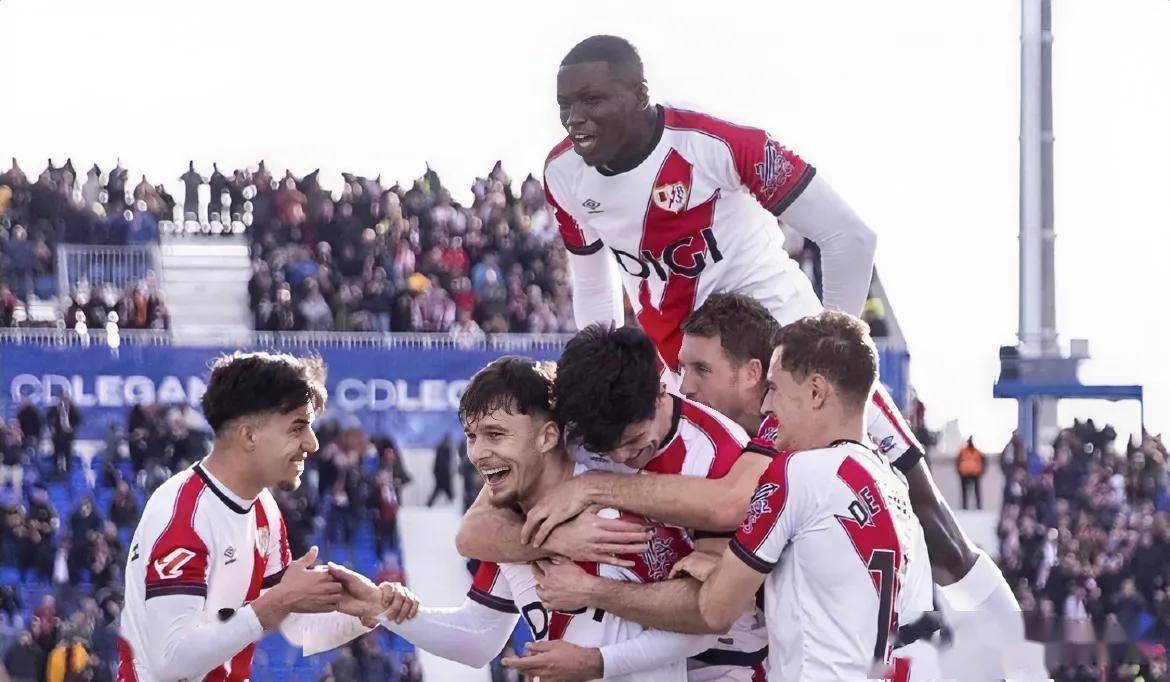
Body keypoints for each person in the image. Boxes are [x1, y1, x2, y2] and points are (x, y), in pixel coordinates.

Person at [543, 36, 1001, 606]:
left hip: (790, 360)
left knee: (933, 529)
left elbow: (850, 236)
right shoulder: (563, 174)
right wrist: (605, 379)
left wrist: (829, 355)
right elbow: (593, 286)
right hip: (693, 378)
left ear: (640, 94)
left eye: (591, 100)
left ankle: (1009, 646)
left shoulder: (717, 144)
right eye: (564, 104)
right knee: (720, 549)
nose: (574, 118)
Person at [340, 357, 715, 680]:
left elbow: (704, 623)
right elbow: (478, 637)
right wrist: (380, 606)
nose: (478, 453)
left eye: (495, 434)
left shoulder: (617, 517)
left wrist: (597, 662)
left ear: (547, 437)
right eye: (472, 436)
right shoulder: (508, 530)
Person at [459, 327, 771, 679]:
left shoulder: (717, 456)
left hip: (725, 661)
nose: (621, 456)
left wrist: (592, 594)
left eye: (634, 440)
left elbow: (709, 610)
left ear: (660, 393)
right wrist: (555, 540)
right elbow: (473, 533)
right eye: (602, 448)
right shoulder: (571, 424)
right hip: (626, 650)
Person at [116, 351, 412, 681]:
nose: (312, 444)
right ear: (248, 435)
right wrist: (276, 603)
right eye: (298, 428)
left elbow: (295, 627)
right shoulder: (183, 514)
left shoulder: (264, 509)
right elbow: (170, 662)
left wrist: (368, 610)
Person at [670, 311, 924, 679]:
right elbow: (836, 596)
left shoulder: (797, 472)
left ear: (816, 392)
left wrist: (597, 590)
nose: (766, 406)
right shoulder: (897, 489)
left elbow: (715, 609)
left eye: (774, 388)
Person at [46, 394, 80, 478]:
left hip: (67, 438)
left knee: (68, 456)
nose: (64, 400)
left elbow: (78, 420)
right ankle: (56, 474)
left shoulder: (72, 410)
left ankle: (68, 474)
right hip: (57, 437)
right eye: (62, 398)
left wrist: (71, 427)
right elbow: (48, 419)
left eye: (66, 399)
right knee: (56, 456)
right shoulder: (54, 409)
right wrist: (51, 428)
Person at [956, 437, 986, 510]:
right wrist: (959, 471)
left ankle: (978, 507)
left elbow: (984, 462)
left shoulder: (977, 452)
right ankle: (964, 507)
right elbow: (957, 462)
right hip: (964, 473)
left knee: (976, 492)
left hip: (975, 474)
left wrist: (981, 471)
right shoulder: (962, 451)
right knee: (964, 492)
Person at [426, 433, 456, 507]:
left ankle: (429, 504)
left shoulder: (441, 448)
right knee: (447, 490)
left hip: (440, 474)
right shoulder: (446, 448)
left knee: (439, 490)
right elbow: (445, 463)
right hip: (443, 474)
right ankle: (453, 503)